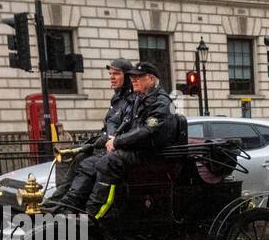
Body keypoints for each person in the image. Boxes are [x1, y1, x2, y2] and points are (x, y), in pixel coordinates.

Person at [57, 62, 182, 216]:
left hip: (151, 154)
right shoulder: (139, 98)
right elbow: (126, 123)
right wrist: (112, 138)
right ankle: (69, 203)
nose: (133, 80)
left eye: (138, 77)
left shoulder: (161, 102)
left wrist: (117, 142)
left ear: (150, 79)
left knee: (108, 162)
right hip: (137, 149)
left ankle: (95, 213)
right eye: (133, 77)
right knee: (89, 161)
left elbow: (147, 130)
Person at [44, 58, 135, 210]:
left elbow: (124, 130)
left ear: (127, 77)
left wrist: (109, 138)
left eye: (117, 74)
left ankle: (70, 203)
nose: (112, 77)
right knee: (79, 158)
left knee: (88, 164)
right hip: (105, 146)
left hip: (115, 150)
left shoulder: (132, 101)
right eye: (110, 73)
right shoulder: (117, 99)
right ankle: (57, 199)